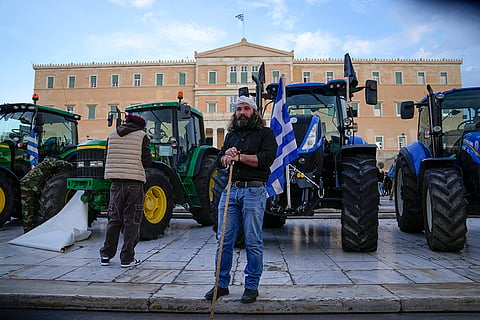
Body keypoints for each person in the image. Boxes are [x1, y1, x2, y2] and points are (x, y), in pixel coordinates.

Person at [204, 95, 277, 304]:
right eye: (238, 109)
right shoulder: (231, 135)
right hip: (230, 191)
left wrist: (239, 157)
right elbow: (219, 162)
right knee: (223, 240)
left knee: (253, 241)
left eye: (246, 109)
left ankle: (251, 286)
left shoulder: (266, 134)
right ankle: (221, 283)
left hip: (254, 191)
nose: (242, 112)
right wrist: (226, 157)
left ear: (254, 112)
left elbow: (265, 160)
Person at [99, 114, 151, 268]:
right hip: (134, 183)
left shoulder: (112, 135)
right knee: (132, 220)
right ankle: (127, 258)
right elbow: (147, 160)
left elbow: (106, 156)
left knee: (114, 219)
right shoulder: (142, 136)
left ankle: (106, 255)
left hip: (115, 183)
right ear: (139, 126)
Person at [20, 156, 75, 233]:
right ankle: (28, 229)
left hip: (29, 185)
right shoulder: (48, 161)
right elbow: (57, 163)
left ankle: (32, 226)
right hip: (28, 186)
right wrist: (72, 165)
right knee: (28, 208)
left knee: (33, 206)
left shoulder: (45, 164)